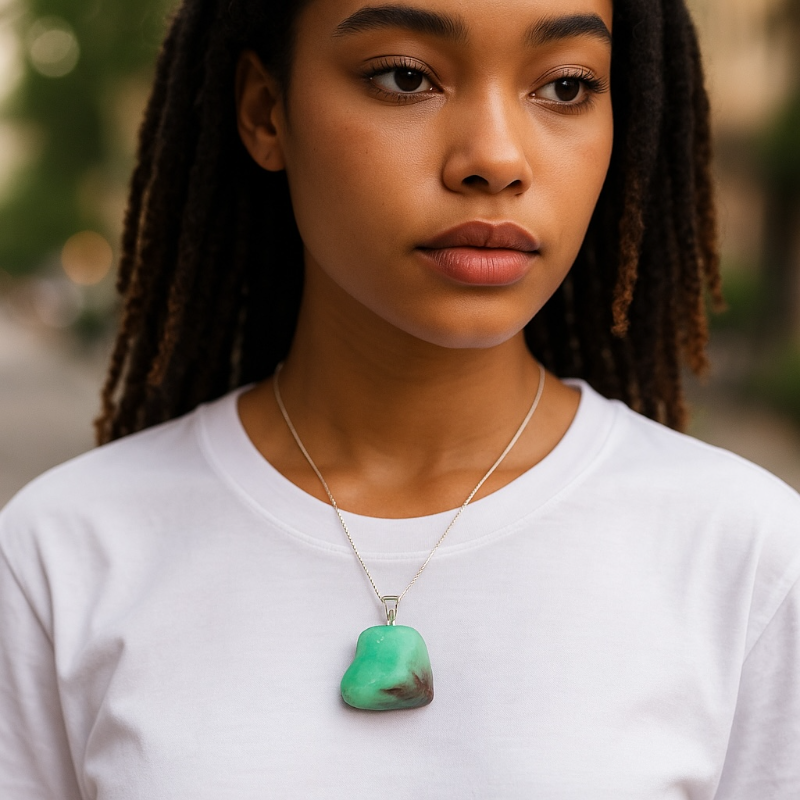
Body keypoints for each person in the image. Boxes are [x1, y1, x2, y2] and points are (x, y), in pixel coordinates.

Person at [1, 0, 799, 796]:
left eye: (564, 88)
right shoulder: (58, 561)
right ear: (265, 111)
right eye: (406, 77)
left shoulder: (749, 562)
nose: (494, 157)